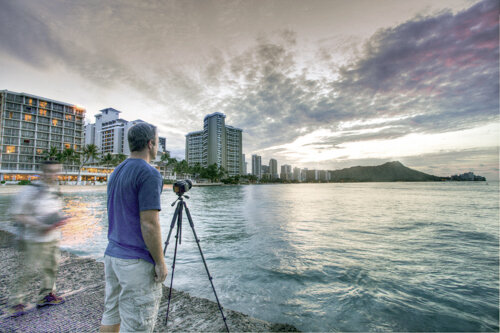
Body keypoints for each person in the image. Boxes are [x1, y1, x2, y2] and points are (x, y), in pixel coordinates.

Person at [100, 123, 167, 333]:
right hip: (135, 262)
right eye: (158, 143)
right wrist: (160, 262)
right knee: (138, 326)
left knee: (111, 315)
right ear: (150, 144)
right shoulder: (149, 173)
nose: (159, 148)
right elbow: (149, 223)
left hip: (113, 256)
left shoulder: (117, 171)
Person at [7, 160, 67, 317]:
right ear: (42, 172)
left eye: (56, 171)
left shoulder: (55, 188)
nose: (53, 174)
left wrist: (60, 218)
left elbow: (56, 209)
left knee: (52, 268)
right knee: (28, 271)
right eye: (50, 171)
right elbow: (18, 215)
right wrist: (39, 224)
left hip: (53, 237)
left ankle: (46, 295)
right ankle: (15, 301)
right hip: (35, 239)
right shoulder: (30, 190)